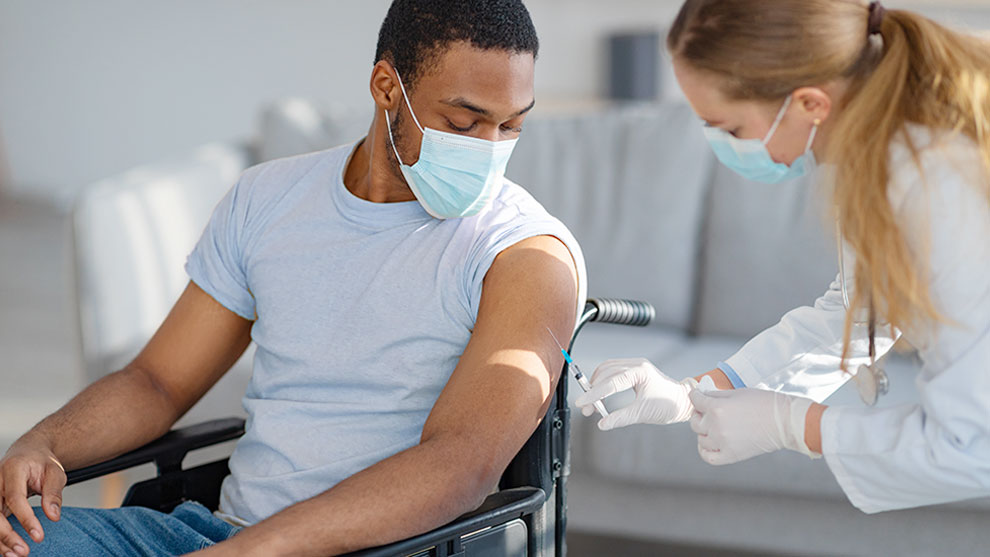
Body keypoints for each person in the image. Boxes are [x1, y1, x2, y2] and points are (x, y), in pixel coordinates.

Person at [0, 1, 587, 555]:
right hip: (216, 534)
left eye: (511, 126)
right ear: (387, 87)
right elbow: (156, 382)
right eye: (464, 121)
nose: (489, 150)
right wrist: (45, 442)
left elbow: (461, 465)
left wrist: (257, 549)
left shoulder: (527, 255)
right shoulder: (267, 198)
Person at [577, 0, 989, 515]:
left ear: (810, 104)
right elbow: (857, 313)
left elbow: (972, 445)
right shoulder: (877, 154)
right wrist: (695, 392)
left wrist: (794, 424)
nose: (723, 147)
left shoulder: (943, 179)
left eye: (729, 129)